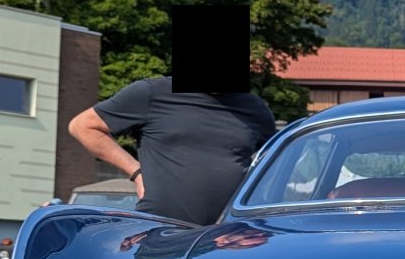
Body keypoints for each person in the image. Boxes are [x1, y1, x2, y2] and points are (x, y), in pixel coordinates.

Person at [69, 75, 276, 226]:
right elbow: (83, 127)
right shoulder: (151, 93)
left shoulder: (254, 109)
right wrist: (135, 171)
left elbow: (278, 161)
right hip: (159, 231)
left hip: (226, 237)